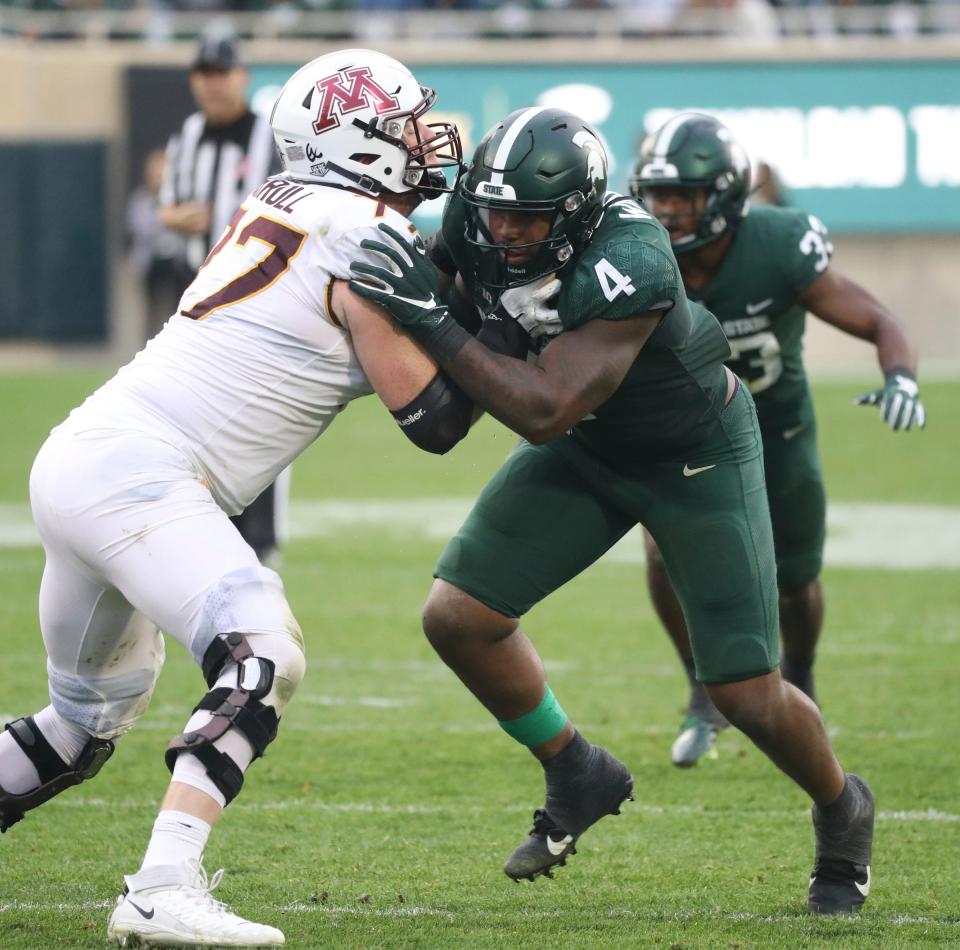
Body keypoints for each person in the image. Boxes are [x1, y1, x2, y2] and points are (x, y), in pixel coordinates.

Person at [348, 106, 875, 915]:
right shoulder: (476, 214)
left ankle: (842, 809)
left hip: (690, 453)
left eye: (528, 218)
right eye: (496, 212)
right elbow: (459, 380)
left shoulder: (634, 255)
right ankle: (574, 767)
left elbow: (544, 406)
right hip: (591, 447)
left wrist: (423, 317)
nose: (506, 231)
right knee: (458, 616)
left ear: (578, 212)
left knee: (743, 691)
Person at [0, 49, 468, 948]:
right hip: (140, 475)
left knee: (84, 725)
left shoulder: (294, 201)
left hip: (84, 459)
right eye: (405, 121)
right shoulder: (363, 233)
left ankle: (158, 877)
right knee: (264, 654)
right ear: (360, 138)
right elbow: (434, 417)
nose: (422, 136)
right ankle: (163, 883)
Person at [629, 112, 926, 767]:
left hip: (777, 426)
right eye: (660, 195)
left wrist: (900, 376)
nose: (669, 210)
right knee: (660, 556)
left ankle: (802, 676)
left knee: (795, 583)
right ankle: (703, 689)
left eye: (686, 196)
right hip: (686, 437)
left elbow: (876, 316)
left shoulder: (777, 244)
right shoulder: (636, 250)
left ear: (727, 196)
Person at [159, 32, 287, 565]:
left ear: (242, 76)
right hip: (195, 293)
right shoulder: (185, 136)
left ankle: (263, 535)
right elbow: (168, 207)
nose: (214, 84)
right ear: (195, 80)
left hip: (256, 297)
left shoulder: (268, 138)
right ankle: (212, 523)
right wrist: (175, 216)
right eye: (205, 74)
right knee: (196, 416)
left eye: (222, 73)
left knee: (263, 415)